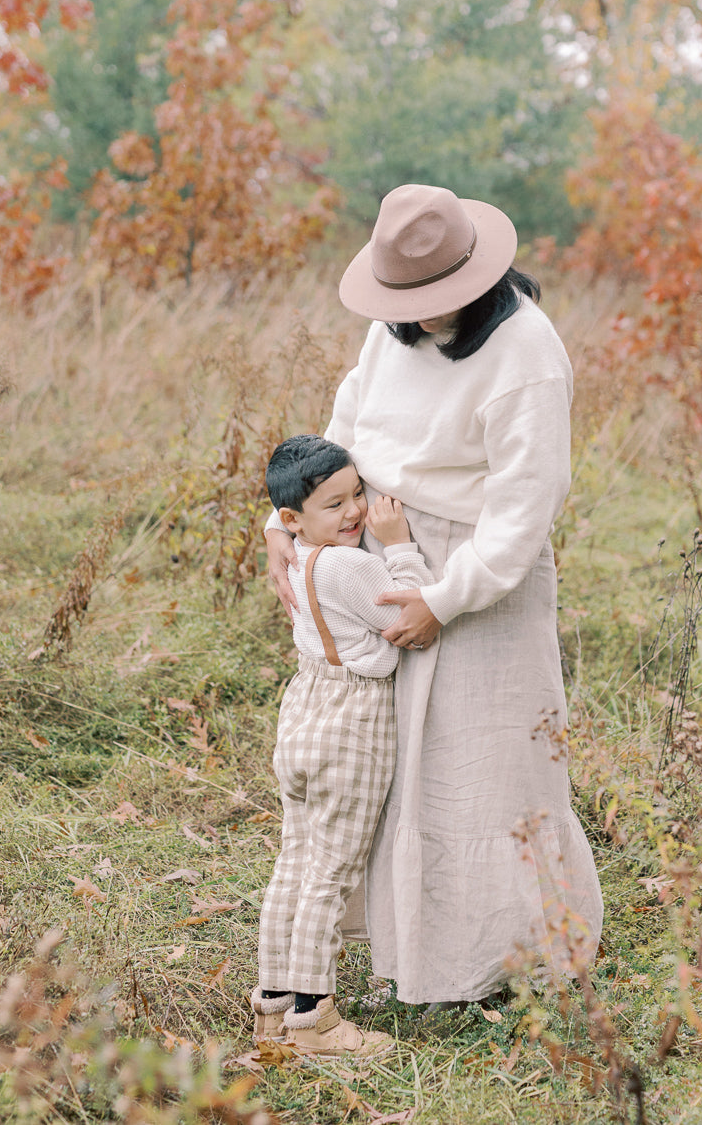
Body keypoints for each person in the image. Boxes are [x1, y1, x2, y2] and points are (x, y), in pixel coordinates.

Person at [266, 183, 604, 1011]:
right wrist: (293, 529)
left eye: (424, 302)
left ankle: (501, 962)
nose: (408, 316)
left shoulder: (526, 352)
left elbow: (526, 507)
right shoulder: (392, 330)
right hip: (376, 546)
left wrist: (445, 599)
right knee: (397, 767)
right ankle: (405, 952)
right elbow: (345, 432)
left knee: (481, 766)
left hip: (480, 573)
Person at [252, 434, 435, 1056]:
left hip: (303, 708)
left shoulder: (299, 558)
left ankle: (272, 1011)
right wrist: (401, 545)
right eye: (336, 505)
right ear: (292, 519)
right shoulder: (350, 565)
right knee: (330, 871)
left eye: (357, 493)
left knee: (294, 864)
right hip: (350, 721)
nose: (356, 511)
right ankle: (316, 1019)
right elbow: (408, 615)